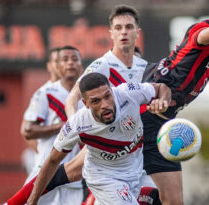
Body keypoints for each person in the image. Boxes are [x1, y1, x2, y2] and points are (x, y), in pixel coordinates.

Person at [8, 1, 209, 204]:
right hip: (137, 119)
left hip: (160, 122)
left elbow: (163, 86)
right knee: (67, 172)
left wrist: (162, 100)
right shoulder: (202, 36)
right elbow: (77, 98)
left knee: (173, 200)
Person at [28, 73, 171, 205]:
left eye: (107, 96)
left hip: (136, 170)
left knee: (163, 198)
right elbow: (52, 161)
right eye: (96, 101)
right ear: (86, 104)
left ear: (112, 90)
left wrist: (163, 101)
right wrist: (32, 202)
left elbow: (161, 88)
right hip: (104, 178)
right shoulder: (78, 124)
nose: (105, 105)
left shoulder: (128, 92)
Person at [14, 46, 85, 205]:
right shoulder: (45, 93)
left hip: (72, 175)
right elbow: (28, 130)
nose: (70, 63)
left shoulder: (87, 95)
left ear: (81, 65)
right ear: (57, 66)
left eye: (75, 59)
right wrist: (63, 126)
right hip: (44, 171)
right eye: (65, 60)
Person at [21, 47, 61, 174]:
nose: (61, 65)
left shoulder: (75, 92)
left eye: (64, 60)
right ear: (49, 66)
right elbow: (25, 130)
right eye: (57, 61)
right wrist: (48, 156)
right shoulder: (43, 93)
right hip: (48, 158)